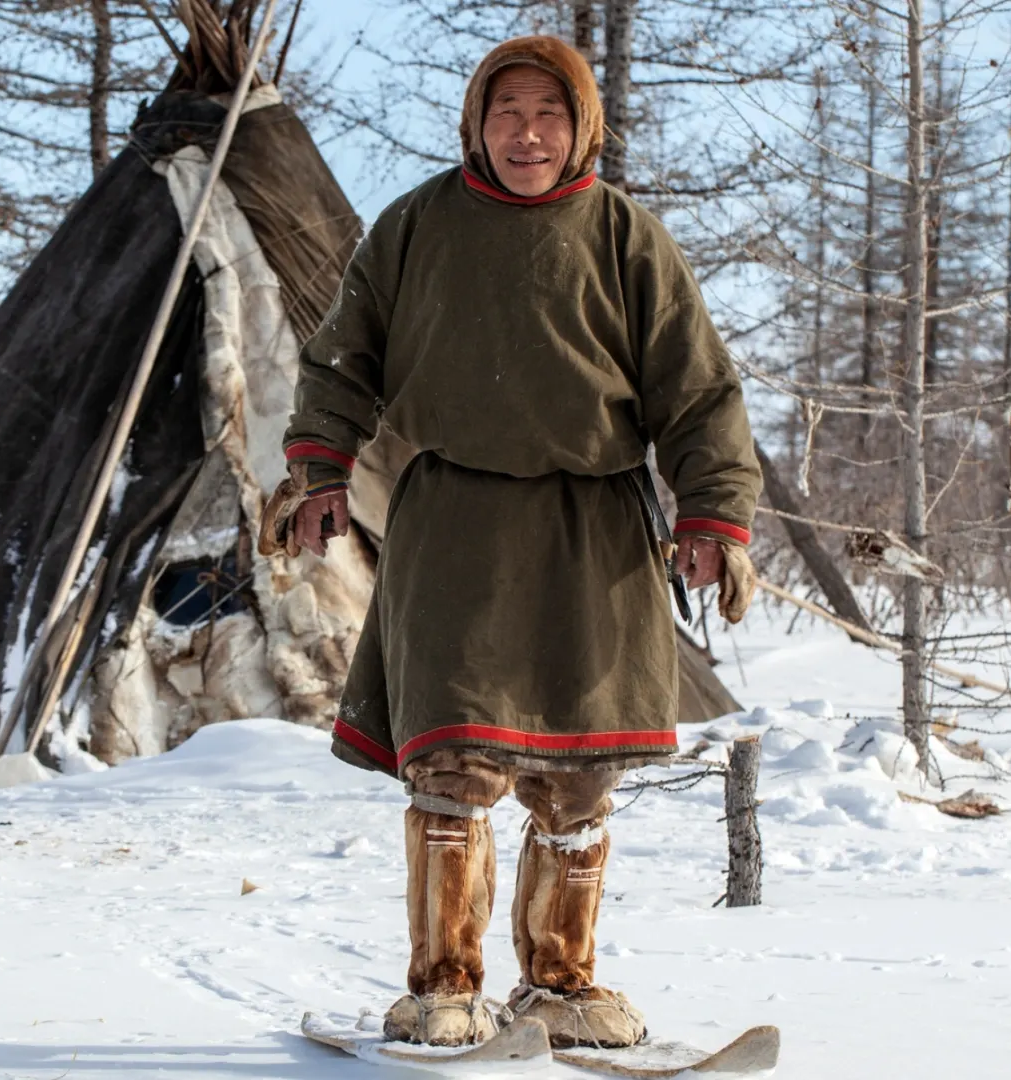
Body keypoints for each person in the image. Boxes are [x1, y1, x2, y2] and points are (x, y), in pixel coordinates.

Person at [261, 35, 761, 1050]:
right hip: (456, 523)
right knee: (455, 757)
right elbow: (343, 360)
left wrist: (714, 516)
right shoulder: (416, 227)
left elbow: (698, 389)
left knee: (579, 774)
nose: (526, 133)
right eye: (506, 112)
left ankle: (563, 986)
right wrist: (319, 469)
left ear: (582, 127)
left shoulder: (627, 236)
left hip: (598, 527)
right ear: (475, 123)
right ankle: (444, 986)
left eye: (549, 114)